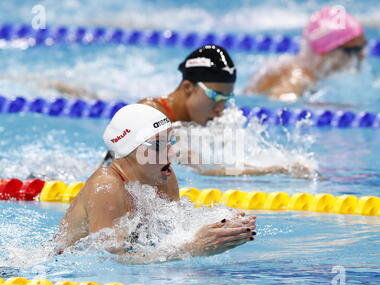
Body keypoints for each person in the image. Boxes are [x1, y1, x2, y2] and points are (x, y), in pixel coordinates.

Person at [54, 104, 256, 262]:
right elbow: (108, 260)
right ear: (129, 152)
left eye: (171, 141)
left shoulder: (163, 176)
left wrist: (220, 226)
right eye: (158, 145)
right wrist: (194, 248)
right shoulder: (107, 187)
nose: (173, 152)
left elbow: (174, 228)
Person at [100, 45, 314, 178]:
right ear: (187, 88)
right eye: (215, 97)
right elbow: (204, 169)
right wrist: (277, 168)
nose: (221, 109)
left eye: (227, 99)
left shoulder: (186, 122)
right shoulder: (153, 116)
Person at [244, 6, 367, 102]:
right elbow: (281, 109)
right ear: (325, 52)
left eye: (363, 46)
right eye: (352, 50)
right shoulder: (298, 77)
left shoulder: (307, 70)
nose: (362, 55)